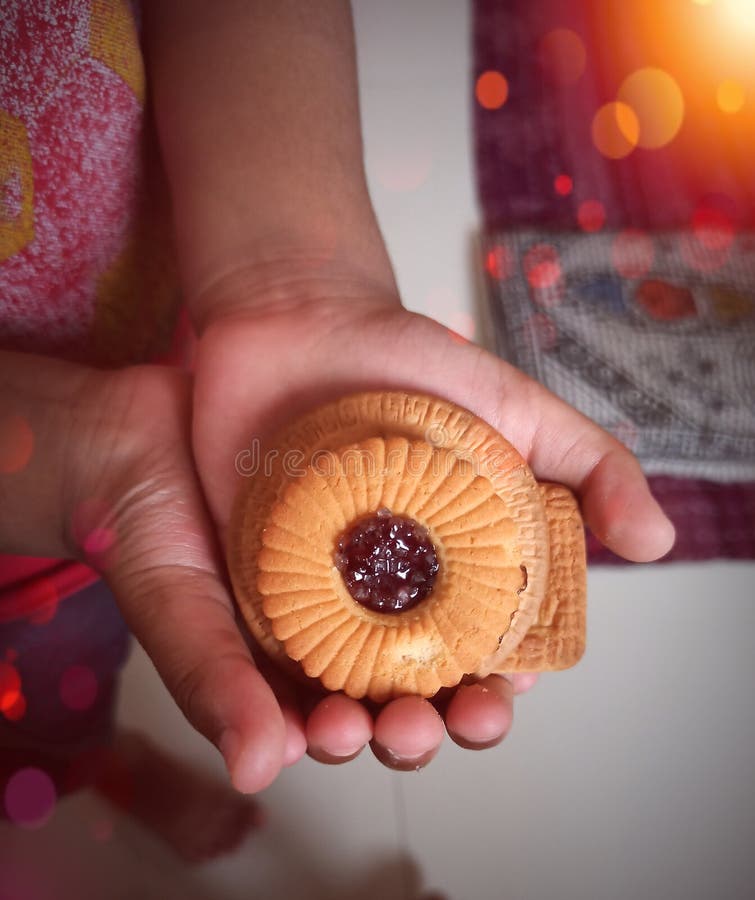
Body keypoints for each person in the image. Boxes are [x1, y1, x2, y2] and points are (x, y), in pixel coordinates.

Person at [0, 0, 675, 855]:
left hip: (177, 356)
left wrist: (284, 272)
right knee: (32, 712)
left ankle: (93, 757)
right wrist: (66, 458)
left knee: (69, 682)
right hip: (28, 519)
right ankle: (82, 766)